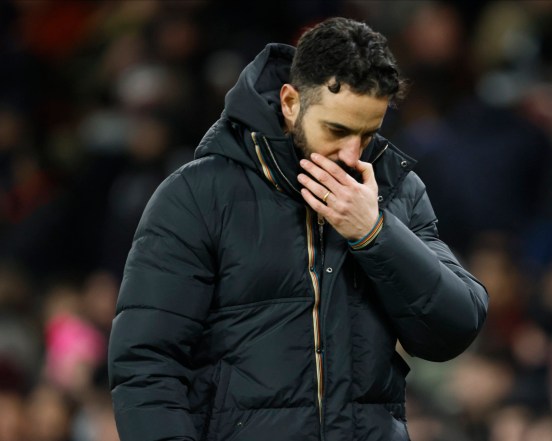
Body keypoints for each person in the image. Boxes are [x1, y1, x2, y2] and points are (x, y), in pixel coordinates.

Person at [108, 17, 488, 441]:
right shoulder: (198, 195)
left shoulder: (395, 190)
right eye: (337, 130)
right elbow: (146, 363)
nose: (351, 153)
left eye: (367, 133)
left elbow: (453, 329)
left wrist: (375, 234)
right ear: (290, 102)